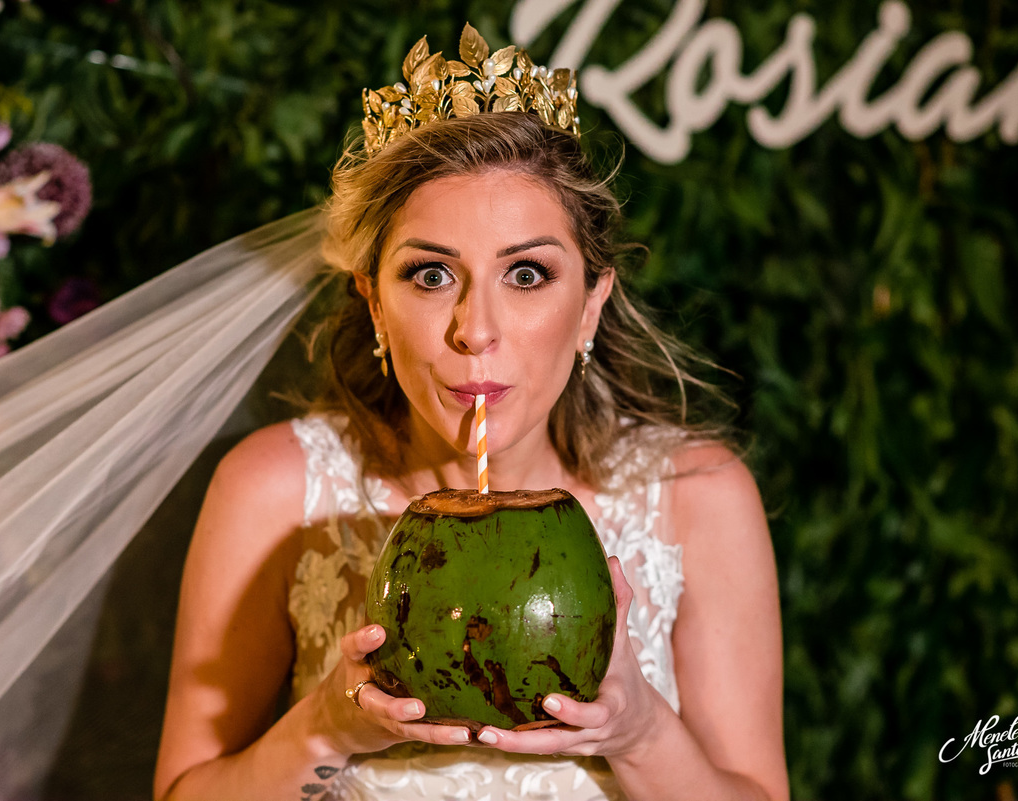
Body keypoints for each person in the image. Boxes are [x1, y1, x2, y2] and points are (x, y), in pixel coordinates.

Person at [152, 26, 788, 801]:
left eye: (526, 273)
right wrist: (327, 726)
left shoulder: (699, 494)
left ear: (591, 305)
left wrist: (639, 730)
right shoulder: (272, 490)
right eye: (430, 274)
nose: (474, 328)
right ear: (374, 305)